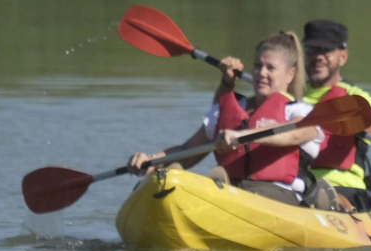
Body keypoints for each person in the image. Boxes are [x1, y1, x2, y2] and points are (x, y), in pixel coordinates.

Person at [127, 31, 339, 210]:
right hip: (230, 191)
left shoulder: (301, 112)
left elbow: (294, 132)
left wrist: (242, 136)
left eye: (270, 68)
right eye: (257, 66)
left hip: (279, 197)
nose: (261, 73)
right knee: (172, 170)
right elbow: (188, 149)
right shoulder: (228, 109)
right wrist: (151, 161)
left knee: (217, 184)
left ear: (290, 74)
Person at [299, 19, 371, 210]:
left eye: (326, 51)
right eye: (312, 50)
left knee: (324, 194)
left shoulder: (355, 96)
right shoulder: (289, 95)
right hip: (295, 184)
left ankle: (336, 205)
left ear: (343, 57)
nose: (318, 57)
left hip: (345, 187)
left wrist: (351, 114)